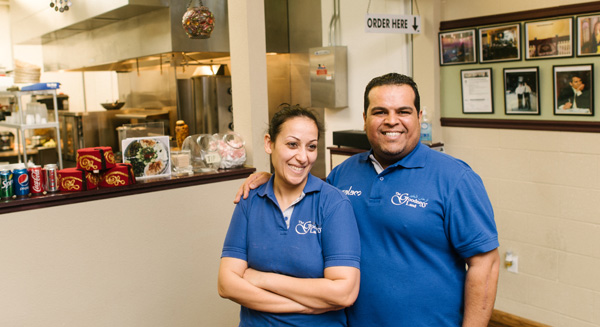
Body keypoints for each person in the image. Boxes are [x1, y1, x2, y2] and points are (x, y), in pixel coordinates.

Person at [235, 73, 500, 326]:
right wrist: (269, 177)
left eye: (403, 111)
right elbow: (303, 201)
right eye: (380, 111)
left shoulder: (455, 178)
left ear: (419, 117)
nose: (391, 120)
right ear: (365, 119)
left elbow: (485, 264)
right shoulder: (342, 174)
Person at [218, 105, 361, 327]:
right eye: (292, 144)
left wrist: (263, 278)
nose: (302, 157)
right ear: (269, 143)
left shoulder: (333, 203)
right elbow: (227, 284)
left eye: (311, 147)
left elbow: (343, 293)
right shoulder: (250, 199)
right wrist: (305, 306)